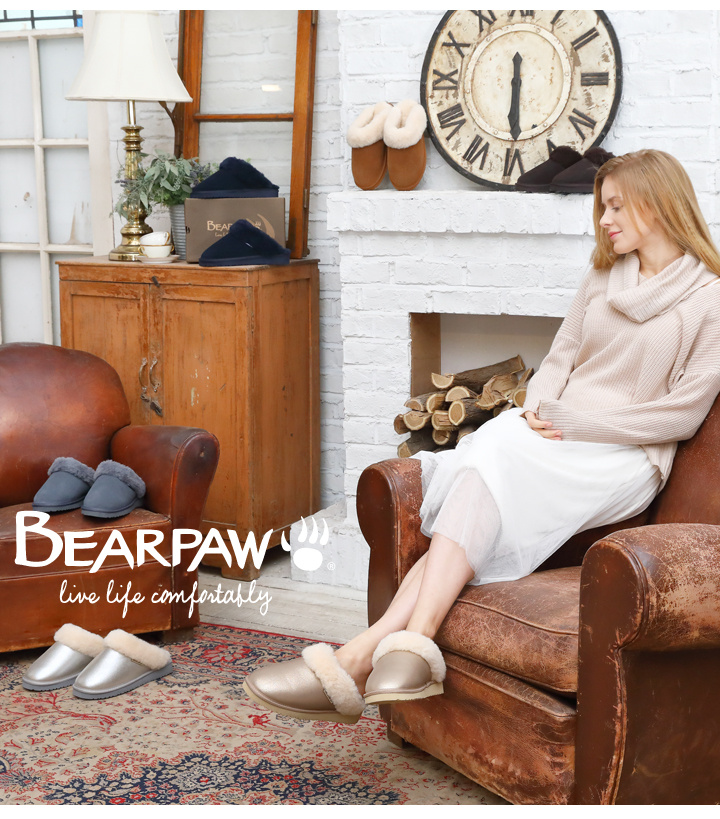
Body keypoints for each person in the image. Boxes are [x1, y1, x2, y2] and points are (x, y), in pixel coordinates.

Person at [243, 149, 720, 725]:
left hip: (624, 457)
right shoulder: (603, 274)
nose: (604, 219)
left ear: (658, 203)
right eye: (602, 206)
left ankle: (364, 655)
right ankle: (394, 649)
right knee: (485, 468)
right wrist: (537, 410)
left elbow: (681, 415)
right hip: (554, 435)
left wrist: (574, 423)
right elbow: (561, 357)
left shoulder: (708, 297)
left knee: (487, 455)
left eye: (616, 206)